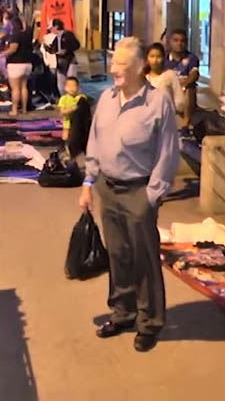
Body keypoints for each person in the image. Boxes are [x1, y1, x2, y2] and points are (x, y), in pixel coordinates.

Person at [79, 36, 180, 353]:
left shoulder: (158, 102)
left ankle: (150, 322)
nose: (114, 68)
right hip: (108, 189)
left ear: (140, 66)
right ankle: (122, 313)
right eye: (113, 62)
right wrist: (88, 183)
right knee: (118, 255)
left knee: (144, 259)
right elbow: (95, 141)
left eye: (121, 63)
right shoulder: (108, 98)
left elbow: (168, 152)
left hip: (138, 190)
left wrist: (153, 194)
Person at [165, 29, 200, 136]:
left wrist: (184, 84)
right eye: (176, 40)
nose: (179, 43)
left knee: (191, 87)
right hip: (168, 91)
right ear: (170, 42)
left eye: (182, 41)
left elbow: (194, 74)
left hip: (184, 90)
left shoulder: (192, 58)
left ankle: (185, 124)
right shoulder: (164, 59)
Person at [0, 17, 34, 116]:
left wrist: (1, 55)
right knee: (24, 87)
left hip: (15, 63)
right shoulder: (27, 35)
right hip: (27, 63)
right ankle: (24, 109)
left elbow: (13, 49)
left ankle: (14, 110)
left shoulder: (15, 35)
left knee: (15, 88)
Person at [145, 43, 184, 114]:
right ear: (147, 58)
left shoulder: (170, 75)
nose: (155, 60)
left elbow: (179, 99)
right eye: (152, 56)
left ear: (163, 58)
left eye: (158, 56)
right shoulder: (144, 78)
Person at [49, 19, 81, 96]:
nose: (51, 30)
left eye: (52, 28)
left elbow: (76, 45)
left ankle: (73, 98)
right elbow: (53, 49)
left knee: (71, 81)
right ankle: (64, 98)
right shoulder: (55, 39)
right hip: (60, 63)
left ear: (56, 27)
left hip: (70, 61)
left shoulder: (68, 35)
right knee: (61, 84)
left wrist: (66, 49)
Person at [57, 76, 88, 154]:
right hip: (68, 122)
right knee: (66, 135)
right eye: (69, 86)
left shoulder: (81, 97)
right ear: (65, 88)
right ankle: (64, 148)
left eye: (74, 86)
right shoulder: (63, 99)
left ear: (78, 87)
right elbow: (61, 112)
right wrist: (72, 109)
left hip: (78, 123)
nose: (71, 88)